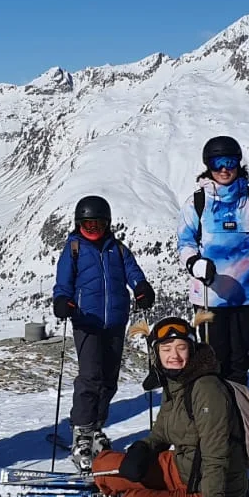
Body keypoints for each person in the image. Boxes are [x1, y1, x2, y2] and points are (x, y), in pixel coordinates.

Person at [92, 317, 248, 497]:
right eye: (166, 349)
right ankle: (146, 494)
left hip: (212, 493)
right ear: (157, 353)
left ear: (192, 349)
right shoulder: (174, 382)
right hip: (182, 468)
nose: (174, 356)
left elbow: (216, 457)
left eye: (181, 348)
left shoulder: (207, 389)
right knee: (102, 466)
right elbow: (162, 433)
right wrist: (142, 449)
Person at [52, 195, 155, 472]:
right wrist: (62, 301)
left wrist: (142, 287)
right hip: (86, 320)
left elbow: (134, 273)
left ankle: (96, 428)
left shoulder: (117, 250)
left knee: (109, 379)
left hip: (115, 321)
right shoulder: (73, 248)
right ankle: (81, 433)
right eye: (88, 224)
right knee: (90, 376)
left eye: (98, 224)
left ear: (107, 224)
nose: (93, 228)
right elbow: (63, 283)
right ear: (79, 224)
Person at [176, 135, 249, 387]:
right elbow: (185, 242)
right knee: (213, 354)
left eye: (230, 162)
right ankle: (215, 409)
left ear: (239, 164)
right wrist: (194, 263)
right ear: (208, 166)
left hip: (246, 291)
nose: (224, 169)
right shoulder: (198, 202)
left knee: (239, 355)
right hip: (210, 291)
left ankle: (238, 406)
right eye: (217, 163)